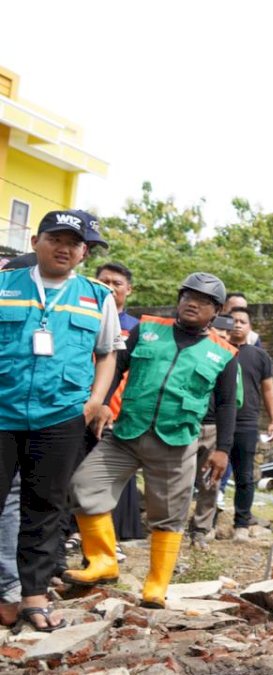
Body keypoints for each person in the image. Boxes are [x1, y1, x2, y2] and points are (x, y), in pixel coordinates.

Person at [65, 273, 237, 610]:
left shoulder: (225, 354)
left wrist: (222, 449)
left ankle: (156, 586)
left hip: (176, 442)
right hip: (127, 433)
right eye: (188, 295)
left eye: (203, 301)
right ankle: (103, 561)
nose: (192, 303)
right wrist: (101, 401)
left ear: (215, 312)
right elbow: (114, 366)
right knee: (84, 486)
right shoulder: (146, 329)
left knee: (169, 514)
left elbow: (229, 403)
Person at [0, 210, 120, 630]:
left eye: (76, 242)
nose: (65, 247)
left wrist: (96, 401)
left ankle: (32, 596)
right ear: (36, 241)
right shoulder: (3, 284)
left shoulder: (98, 297)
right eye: (57, 238)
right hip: (2, 411)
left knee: (45, 507)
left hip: (61, 416)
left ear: (85, 252)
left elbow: (108, 353)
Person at [95, 262, 145, 544]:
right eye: (104, 281)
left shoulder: (137, 328)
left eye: (117, 283)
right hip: (78, 406)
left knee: (117, 475)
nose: (110, 288)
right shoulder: (84, 316)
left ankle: (118, 534)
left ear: (129, 289)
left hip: (118, 412)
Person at [226, 307, 273, 541]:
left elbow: (268, 389)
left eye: (242, 321)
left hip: (246, 422)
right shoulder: (215, 349)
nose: (237, 324)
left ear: (249, 327)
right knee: (208, 474)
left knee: (245, 475)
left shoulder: (260, 356)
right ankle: (203, 524)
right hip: (214, 422)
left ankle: (241, 524)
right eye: (233, 320)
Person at [186, 314, 238, 549]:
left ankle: (199, 530)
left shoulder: (228, 358)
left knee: (210, 481)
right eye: (220, 332)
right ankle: (171, 530)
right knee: (178, 480)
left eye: (228, 334)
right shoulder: (193, 350)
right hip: (185, 424)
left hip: (213, 426)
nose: (224, 337)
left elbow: (230, 402)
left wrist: (224, 444)